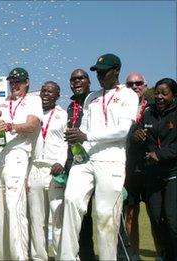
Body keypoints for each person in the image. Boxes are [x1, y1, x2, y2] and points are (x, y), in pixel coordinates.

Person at [60, 53, 138, 260]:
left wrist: (87, 135)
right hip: (85, 159)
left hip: (111, 159)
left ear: (117, 71)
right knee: (70, 200)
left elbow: (122, 131)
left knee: (105, 215)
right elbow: (84, 128)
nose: (100, 76)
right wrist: (76, 139)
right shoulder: (91, 97)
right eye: (98, 72)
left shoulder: (129, 95)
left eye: (104, 71)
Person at [0, 67, 43, 260]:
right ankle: (6, 257)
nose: (14, 85)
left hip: (17, 155)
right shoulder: (1, 103)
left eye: (18, 81)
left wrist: (10, 126)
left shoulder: (33, 100)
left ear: (27, 82)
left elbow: (32, 125)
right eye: (12, 81)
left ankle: (20, 257)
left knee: (14, 206)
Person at [133, 78, 177, 260]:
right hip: (152, 175)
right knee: (157, 220)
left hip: (173, 173)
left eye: (164, 93)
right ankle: (166, 256)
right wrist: (136, 136)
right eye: (157, 92)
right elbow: (137, 137)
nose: (159, 96)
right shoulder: (148, 113)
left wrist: (160, 155)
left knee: (173, 220)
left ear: (174, 95)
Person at [121, 72, 160, 260]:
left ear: (145, 86)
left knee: (155, 215)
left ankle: (161, 254)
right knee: (130, 214)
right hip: (128, 168)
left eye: (139, 83)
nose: (135, 87)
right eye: (130, 84)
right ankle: (134, 255)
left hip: (150, 169)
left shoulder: (154, 109)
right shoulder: (119, 109)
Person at [27, 81, 67, 260]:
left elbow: (67, 142)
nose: (46, 94)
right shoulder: (32, 115)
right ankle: (38, 257)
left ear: (57, 96)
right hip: (34, 169)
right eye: (43, 90)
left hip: (54, 170)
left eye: (51, 92)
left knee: (57, 219)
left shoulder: (62, 115)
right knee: (36, 220)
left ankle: (60, 256)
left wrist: (61, 162)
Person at [64, 68, 96, 260]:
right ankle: (83, 254)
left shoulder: (96, 101)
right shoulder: (70, 107)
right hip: (76, 165)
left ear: (89, 82)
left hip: (98, 163)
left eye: (81, 78)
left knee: (102, 214)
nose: (77, 81)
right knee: (80, 214)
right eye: (74, 79)